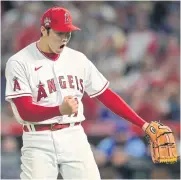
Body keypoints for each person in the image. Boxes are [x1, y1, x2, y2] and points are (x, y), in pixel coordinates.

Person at [4, 6, 174, 180]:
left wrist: (143, 124)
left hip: (73, 135)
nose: (64, 39)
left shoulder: (78, 59)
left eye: (67, 33)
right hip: (38, 138)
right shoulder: (20, 62)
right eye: (59, 33)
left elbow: (106, 95)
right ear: (43, 31)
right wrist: (59, 110)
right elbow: (25, 111)